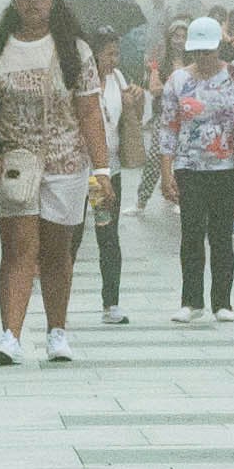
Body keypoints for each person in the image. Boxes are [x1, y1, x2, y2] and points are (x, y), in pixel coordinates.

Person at [0, 0, 111, 366]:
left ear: (54, 0)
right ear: (14, 0)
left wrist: (102, 171)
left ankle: (57, 332)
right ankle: (11, 336)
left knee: (57, 252)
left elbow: (89, 111)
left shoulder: (76, 50)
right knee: (19, 250)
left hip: (67, 163)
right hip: (16, 164)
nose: (33, 2)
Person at [153, 16, 234, 320]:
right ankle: (191, 301)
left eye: (208, 49)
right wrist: (166, 170)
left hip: (228, 166)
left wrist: (233, 41)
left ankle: (222, 302)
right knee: (191, 233)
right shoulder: (177, 80)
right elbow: (168, 127)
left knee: (220, 234)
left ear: (217, 47)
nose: (202, 57)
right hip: (189, 166)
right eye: (197, 50)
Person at [87, 32, 135, 325]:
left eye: (116, 53)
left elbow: (130, 118)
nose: (113, 60)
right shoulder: (79, 80)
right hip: (80, 172)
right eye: (108, 54)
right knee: (72, 236)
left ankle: (111, 303)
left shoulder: (118, 78)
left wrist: (135, 101)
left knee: (107, 234)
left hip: (107, 173)